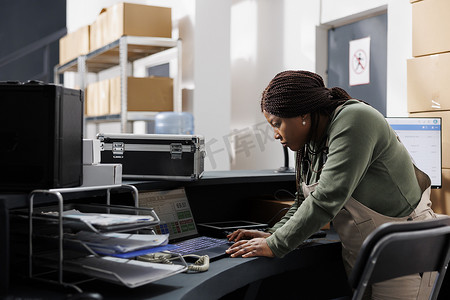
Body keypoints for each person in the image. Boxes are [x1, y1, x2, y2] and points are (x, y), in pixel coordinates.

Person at [225, 70, 437, 299]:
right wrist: (273, 234)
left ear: (302, 115)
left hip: (403, 253)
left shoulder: (355, 118)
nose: (275, 134)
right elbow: (305, 201)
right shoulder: (312, 142)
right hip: (365, 251)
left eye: (277, 123)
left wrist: (277, 244)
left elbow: (327, 197)